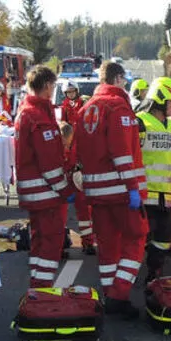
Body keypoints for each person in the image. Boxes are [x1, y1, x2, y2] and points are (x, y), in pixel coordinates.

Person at [76, 61, 147, 318]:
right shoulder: (118, 108)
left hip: (96, 190)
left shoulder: (85, 109)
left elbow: (79, 152)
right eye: (124, 80)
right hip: (119, 190)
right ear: (117, 79)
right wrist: (132, 188)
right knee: (136, 238)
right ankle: (119, 295)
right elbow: (122, 153)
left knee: (107, 244)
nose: (126, 84)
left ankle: (109, 292)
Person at [14, 67, 73, 299]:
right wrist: (65, 189)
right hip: (44, 192)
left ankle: (37, 286)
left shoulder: (25, 112)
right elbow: (49, 163)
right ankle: (44, 290)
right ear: (48, 85)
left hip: (32, 191)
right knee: (51, 240)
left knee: (39, 241)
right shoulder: (39, 117)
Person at [135, 77, 171, 282]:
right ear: (161, 98)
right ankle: (127, 277)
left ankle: (153, 273)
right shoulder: (139, 122)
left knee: (165, 236)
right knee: (141, 236)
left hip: (166, 195)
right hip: (144, 194)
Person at [59, 81, 94, 253]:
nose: (71, 95)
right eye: (68, 92)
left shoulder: (83, 105)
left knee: (84, 207)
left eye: (73, 92)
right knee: (60, 209)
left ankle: (87, 241)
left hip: (78, 165)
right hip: (67, 168)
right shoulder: (63, 108)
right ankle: (60, 243)